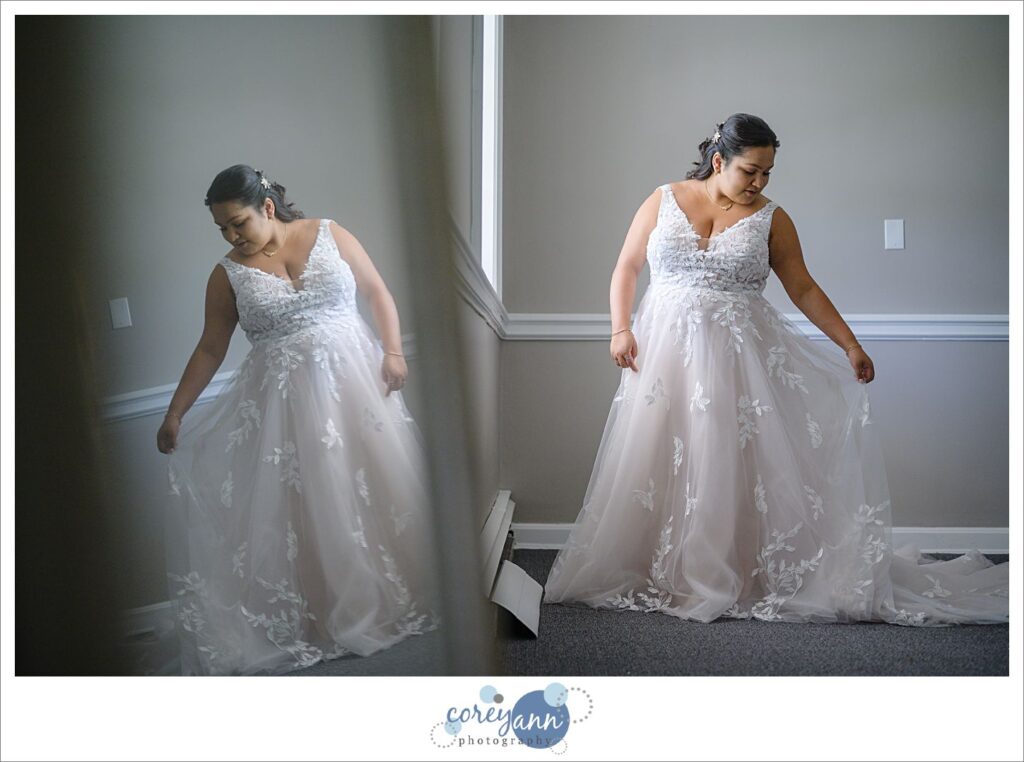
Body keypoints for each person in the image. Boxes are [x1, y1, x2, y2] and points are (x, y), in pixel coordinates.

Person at [543, 114, 1008, 627]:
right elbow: (627, 265)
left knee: (726, 460)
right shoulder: (663, 198)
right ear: (718, 161)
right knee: (664, 458)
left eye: (768, 173)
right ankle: (664, 571)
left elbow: (802, 287)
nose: (759, 183)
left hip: (739, 361)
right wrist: (619, 328)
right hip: (664, 359)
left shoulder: (772, 218)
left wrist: (850, 344)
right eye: (751, 171)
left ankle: (727, 572)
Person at [158, 165, 440, 675]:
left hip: (354, 387)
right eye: (222, 228)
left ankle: (388, 598)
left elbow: (376, 291)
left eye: (238, 222)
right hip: (282, 408)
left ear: (267, 207)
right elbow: (210, 347)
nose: (231, 235)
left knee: (372, 487)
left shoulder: (329, 233)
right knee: (308, 505)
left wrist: (394, 352)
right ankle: (322, 615)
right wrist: (175, 412)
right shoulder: (226, 275)